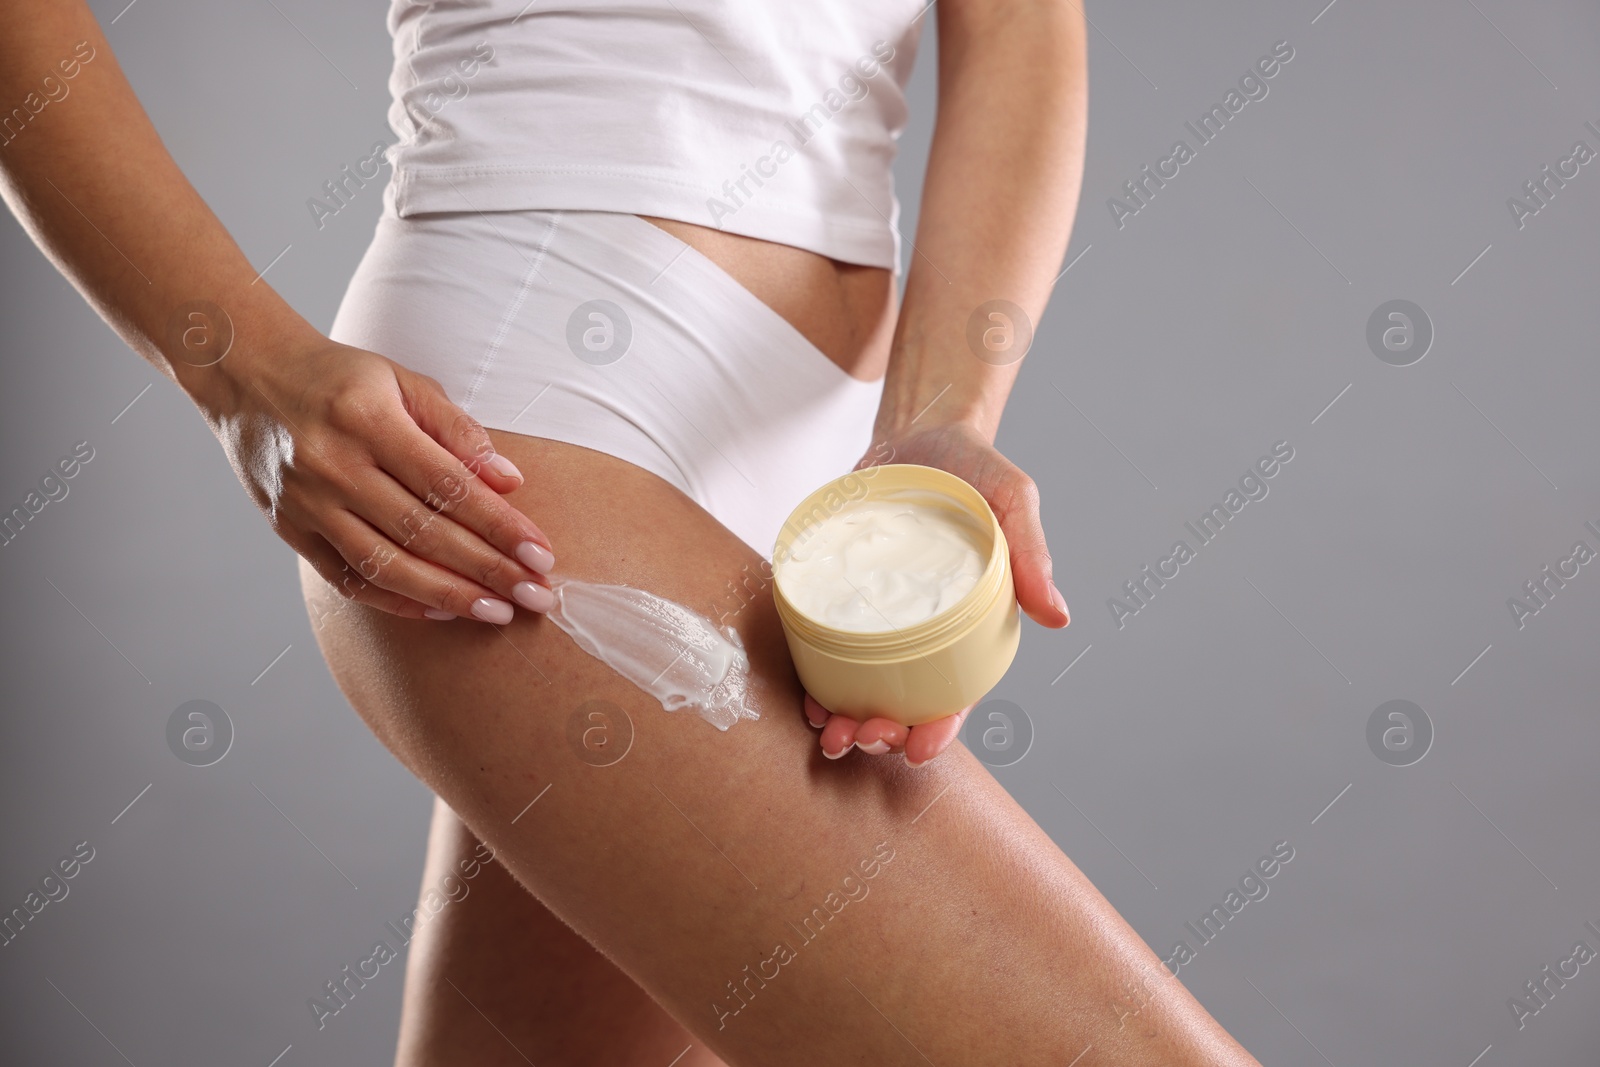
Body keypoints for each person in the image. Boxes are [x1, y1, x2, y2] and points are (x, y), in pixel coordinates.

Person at [1, 1, 1263, 1063]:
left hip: (831, 458)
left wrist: (940, 414)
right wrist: (239, 367)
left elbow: (1019, 26)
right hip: (528, 412)